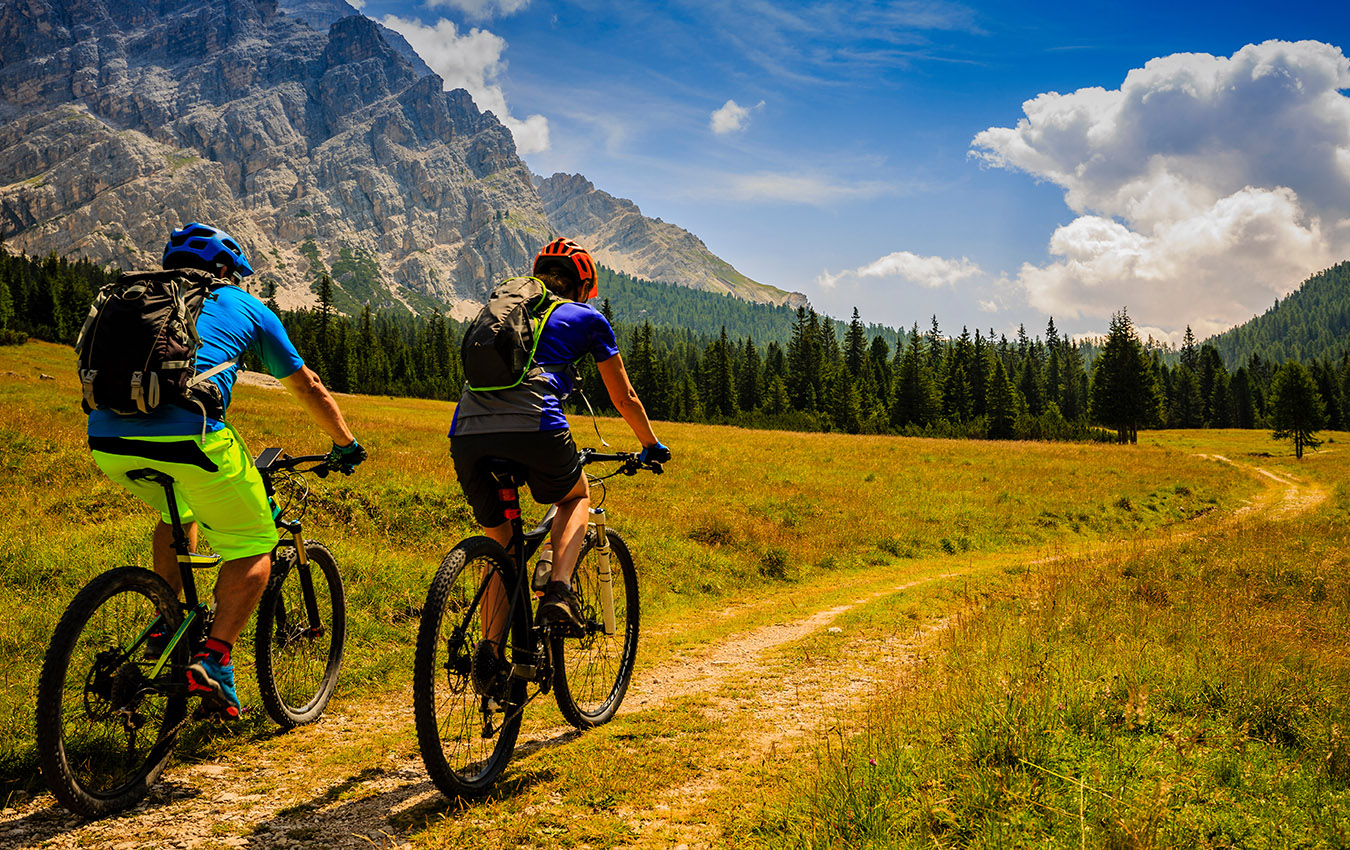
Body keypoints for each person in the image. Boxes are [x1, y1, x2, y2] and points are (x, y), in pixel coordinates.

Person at [86, 222, 366, 718]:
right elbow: (309, 387)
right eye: (235, 273)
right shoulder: (244, 305)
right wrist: (345, 443)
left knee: (182, 513)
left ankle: (164, 620)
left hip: (108, 439)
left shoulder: (136, 295)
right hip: (191, 436)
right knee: (256, 542)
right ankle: (214, 661)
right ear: (224, 270)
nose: (237, 280)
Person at [449, 237, 669, 662]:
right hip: (536, 425)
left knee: (501, 547)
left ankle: (489, 657)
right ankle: (560, 590)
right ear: (583, 285)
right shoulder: (586, 317)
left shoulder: (502, 311)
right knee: (576, 495)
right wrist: (651, 445)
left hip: (466, 431)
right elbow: (623, 397)